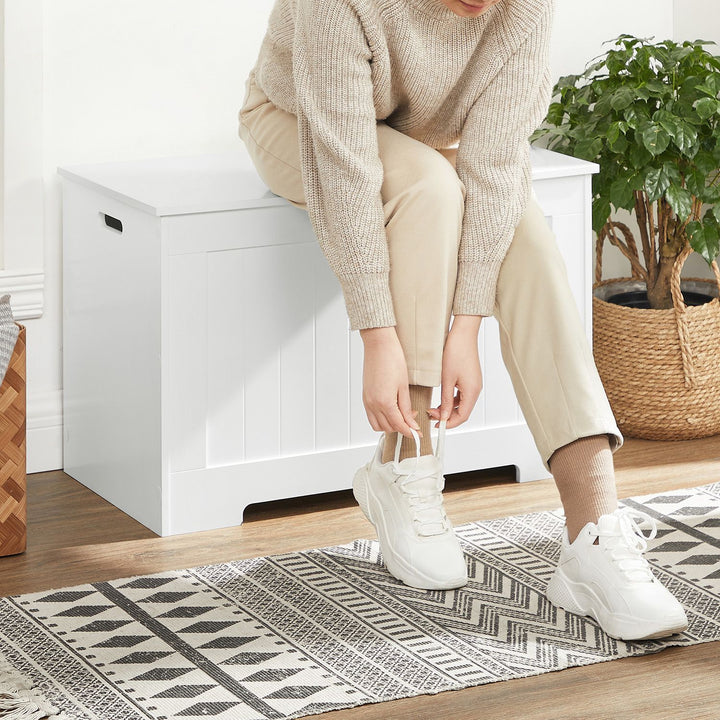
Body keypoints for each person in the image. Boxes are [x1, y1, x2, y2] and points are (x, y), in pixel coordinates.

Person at [238, 0, 689, 641]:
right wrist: (378, 337)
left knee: (526, 241)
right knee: (427, 185)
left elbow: (498, 166)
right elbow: (344, 168)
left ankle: (594, 532)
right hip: (297, 121)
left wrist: (467, 324)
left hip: (428, 143)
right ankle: (405, 460)